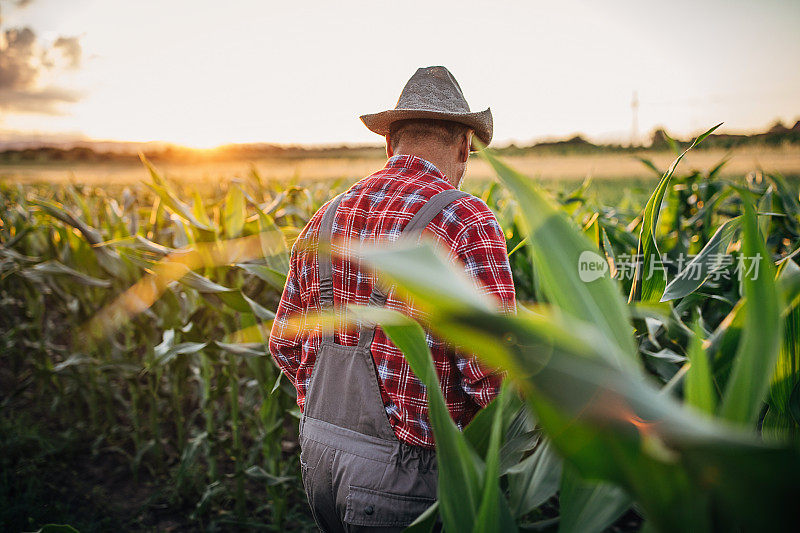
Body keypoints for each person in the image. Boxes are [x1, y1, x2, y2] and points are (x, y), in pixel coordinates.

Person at [268, 66, 516, 532]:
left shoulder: (328, 216)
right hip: (407, 478)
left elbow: (284, 342)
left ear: (391, 142)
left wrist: (336, 423)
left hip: (319, 459)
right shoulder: (465, 219)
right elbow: (495, 376)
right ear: (465, 146)